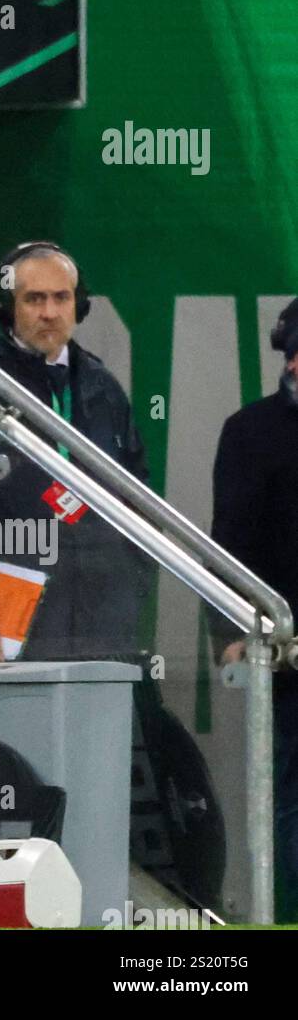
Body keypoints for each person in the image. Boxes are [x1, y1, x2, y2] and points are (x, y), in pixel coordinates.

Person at [0, 241, 150, 661]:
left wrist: (132, 588)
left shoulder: (102, 385)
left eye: (61, 298)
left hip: (102, 616)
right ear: (8, 308)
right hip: (11, 623)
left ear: (78, 305)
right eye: (34, 299)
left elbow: (137, 497)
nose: (49, 312)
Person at [208, 297, 298, 900]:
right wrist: (231, 635)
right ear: (291, 359)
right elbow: (227, 548)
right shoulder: (251, 432)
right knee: (291, 801)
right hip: (288, 659)